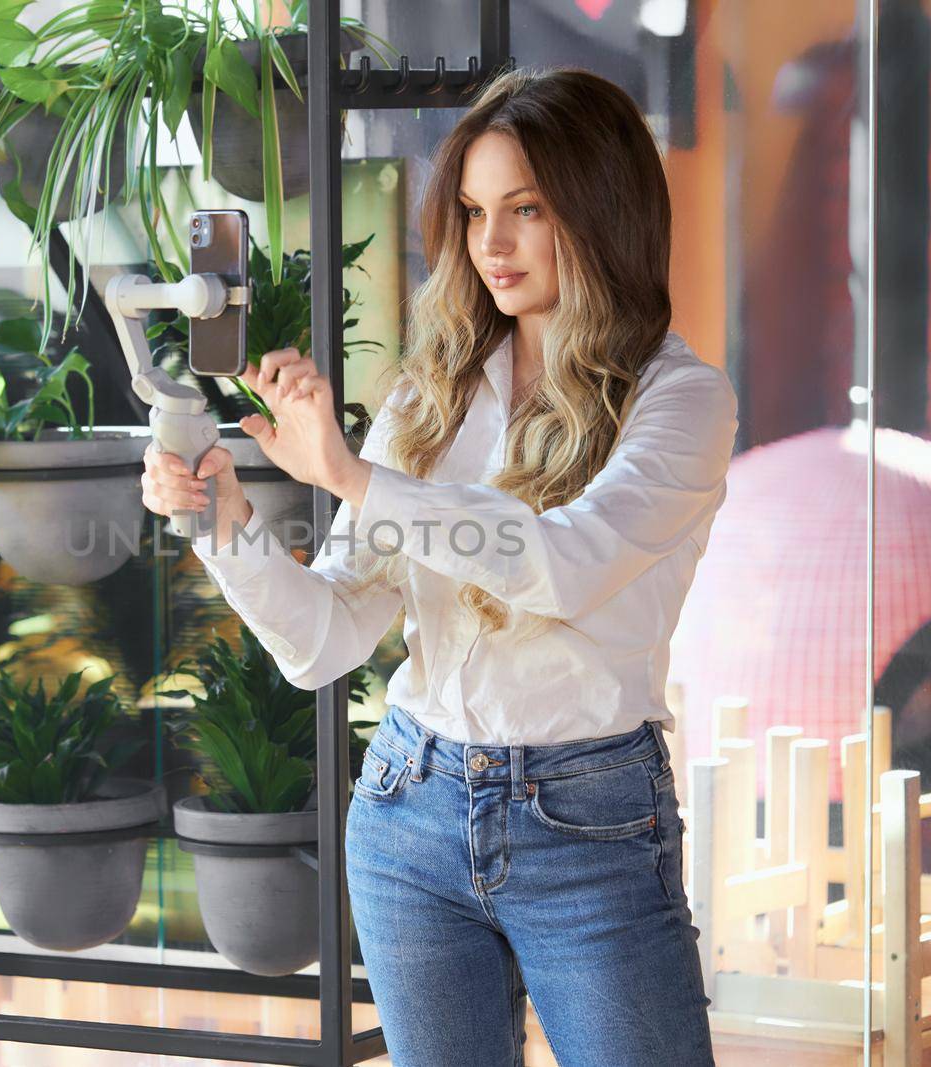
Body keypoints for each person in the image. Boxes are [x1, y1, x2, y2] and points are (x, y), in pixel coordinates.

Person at [140, 66, 736, 1067]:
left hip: (585, 824)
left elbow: (564, 565)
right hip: (406, 809)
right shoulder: (437, 392)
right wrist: (227, 517)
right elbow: (324, 641)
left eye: (525, 209)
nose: (489, 244)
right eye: (470, 211)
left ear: (601, 209)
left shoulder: (680, 401)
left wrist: (350, 475)